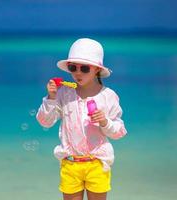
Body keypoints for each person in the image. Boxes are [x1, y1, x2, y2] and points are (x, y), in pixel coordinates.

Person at [36, 38, 127, 200]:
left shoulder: (109, 96)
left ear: (97, 70)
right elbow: (45, 121)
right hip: (70, 163)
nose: (77, 72)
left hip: (98, 163)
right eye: (73, 67)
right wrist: (50, 98)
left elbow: (119, 132)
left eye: (84, 68)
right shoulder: (63, 93)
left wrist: (105, 122)